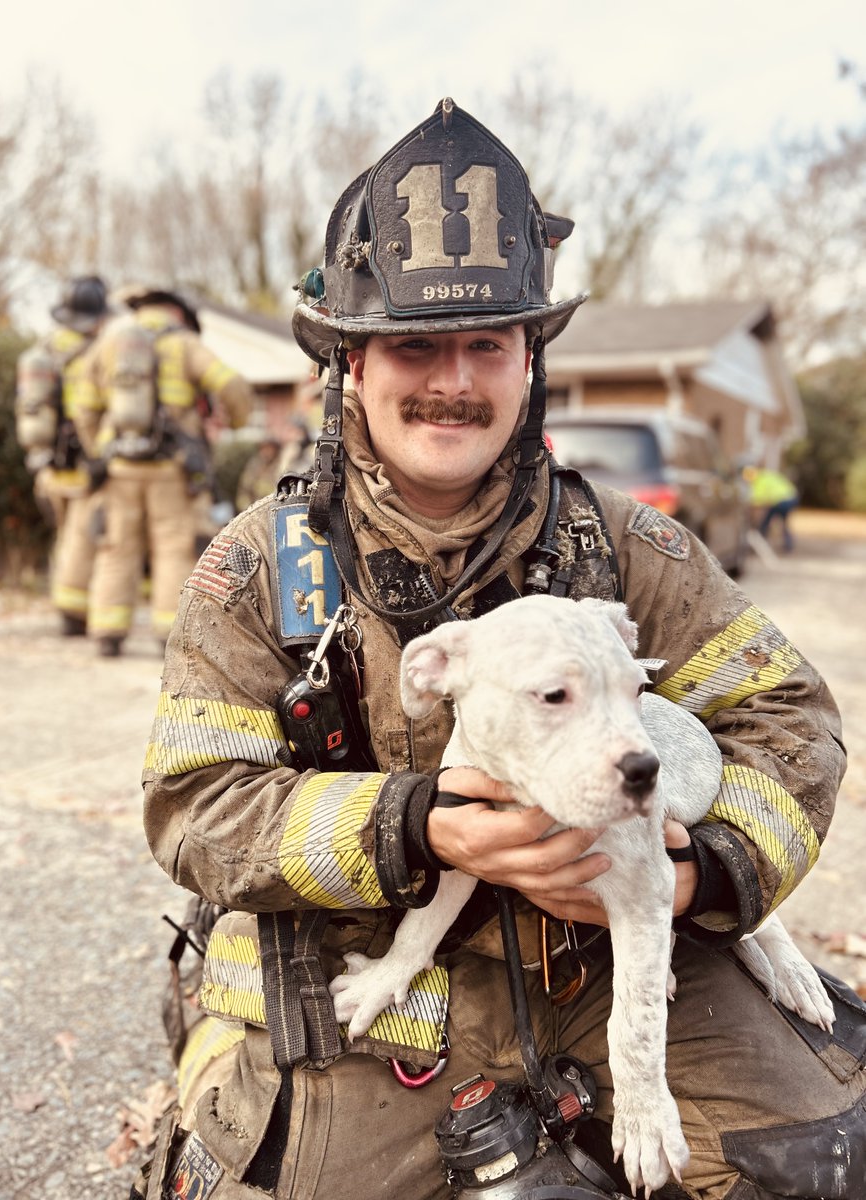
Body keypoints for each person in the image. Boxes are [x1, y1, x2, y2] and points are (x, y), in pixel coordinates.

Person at [135, 101, 865, 1200]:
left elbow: (789, 721)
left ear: (530, 361)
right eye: (415, 345)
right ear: (350, 367)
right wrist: (414, 821)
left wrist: (695, 874)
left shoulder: (627, 547)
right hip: (380, 994)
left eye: (489, 344)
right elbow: (194, 806)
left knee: (816, 1161)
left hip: (624, 962)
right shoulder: (256, 570)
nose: (455, 380)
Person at [73, 287, 253, 656]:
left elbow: (83, 406)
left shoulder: (109, 342)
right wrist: (237, 421)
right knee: (173, 546)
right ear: (176, 311)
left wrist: (98, 448)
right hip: (173, 468)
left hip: (118, 467)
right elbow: (231, 384)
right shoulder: (183, 342)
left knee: (116, 546)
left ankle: (107, 633)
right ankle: (165, 636)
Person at [14, 275, 112, 636]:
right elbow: (93, 411)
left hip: (48, 466)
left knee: (64, 536)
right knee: (81, 539)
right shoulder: (95, 350)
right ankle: (72, 614)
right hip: (84, 463)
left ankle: (69, 606)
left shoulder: (46, 349)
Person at [747, 466, 800, 553]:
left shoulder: (759, 482)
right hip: (793, 497)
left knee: (767, 520)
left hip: (781, 500)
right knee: (784, 521)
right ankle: (788, 544)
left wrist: (752, 514)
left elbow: (756, 502)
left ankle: (761, 539)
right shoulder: (767, 475)